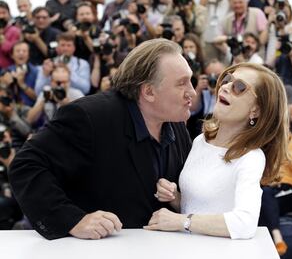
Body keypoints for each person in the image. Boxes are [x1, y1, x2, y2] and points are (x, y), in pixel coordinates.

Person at [9, 39, 195, 240]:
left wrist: (175, 197)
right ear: (148, 91)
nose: (192, 92)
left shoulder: (175, 123)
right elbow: (25, 166)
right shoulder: (90, 116)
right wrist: (73, 220)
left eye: (190, 80)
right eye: (181, 83)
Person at [145, 63, 290, 240]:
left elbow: (245, 223)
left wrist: (180, 221)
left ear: (256, 110)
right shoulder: (201, 140)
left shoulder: (250, 157)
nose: (226, 86)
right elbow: (199, 207)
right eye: (228, 79)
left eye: (239, 87)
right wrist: (174, 196)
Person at [259, 85, 292, 255]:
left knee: (263, 199)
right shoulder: (267, 142)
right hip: (269, 190)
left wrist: (281, 143)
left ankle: (276, 237)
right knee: (261, 196)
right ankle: (276, 236)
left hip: (291, 191)